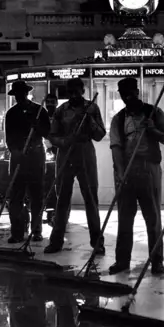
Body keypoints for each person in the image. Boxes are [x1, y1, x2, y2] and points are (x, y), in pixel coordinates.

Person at [108, 77, 164, 275]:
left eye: (131, 92)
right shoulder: (118, 119)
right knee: (125, 218)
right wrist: (120, 174)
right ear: (121, 96)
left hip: (149, 169)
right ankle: (122, 261)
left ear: (137, 91)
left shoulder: (154, 113)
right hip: (127, 170)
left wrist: (152, 130)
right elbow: (116, 148)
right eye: (124, 94)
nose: (128, 97)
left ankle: (157, 261)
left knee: (152, 218)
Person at [44, 78, 106, 255]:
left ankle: (97, 242)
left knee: (91, 199)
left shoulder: (92, 108)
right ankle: (56, 241)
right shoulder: (61, 111)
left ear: (83, 91)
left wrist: (89, 120)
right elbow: (52, 136)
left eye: (77, 91)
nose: (74, 95)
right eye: (70, 92)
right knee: (62, 199)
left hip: (85, 153)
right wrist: (65, 141)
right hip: (65, 154)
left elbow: (100, 135)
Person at [5, 79, 50, 244]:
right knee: (16, 196)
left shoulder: (39, 111)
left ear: (26, 93)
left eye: (21, 94)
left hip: (36, 156)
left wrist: (38, 126)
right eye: (16, 94)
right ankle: (17, 232)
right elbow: (9, 138)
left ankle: (36, 231)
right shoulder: (12, 113)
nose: (19, 97)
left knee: (37, 195)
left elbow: (47, 133)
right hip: (18, 157)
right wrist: (16, 152)